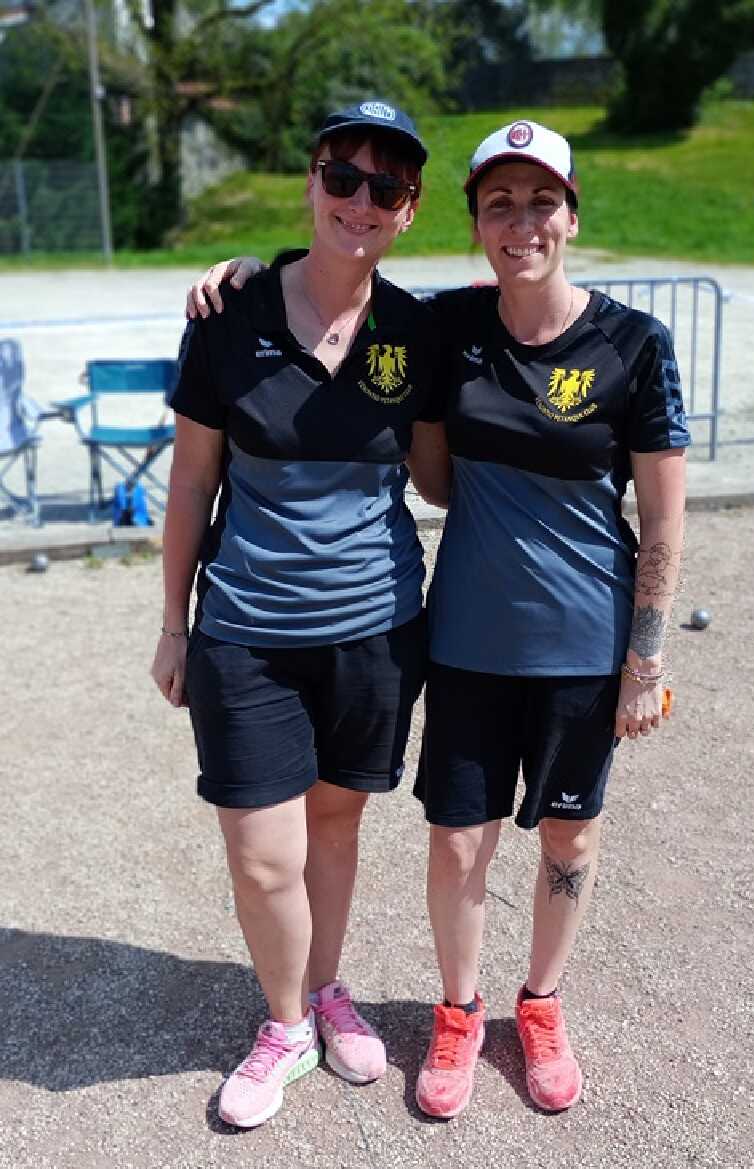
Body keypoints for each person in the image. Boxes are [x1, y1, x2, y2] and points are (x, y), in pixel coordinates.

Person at [186, 117, 689, 1120]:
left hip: (584, 643)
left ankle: (539, 1003)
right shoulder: (450, 327)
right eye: (499, 204)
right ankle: (458, 1012)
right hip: (463, 637)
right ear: (471, 222)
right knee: (457, 845)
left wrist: (645, 660)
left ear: (571, 214)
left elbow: (665, 518)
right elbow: (340, 279)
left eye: (540, 201)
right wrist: (249, 273)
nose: (520, 222)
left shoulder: (634, 343)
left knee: (568, 840)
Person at [151, 99, 450, 1129]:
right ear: (312, 182)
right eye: (342, 176)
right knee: (261, 851)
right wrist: (173, 622)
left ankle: (325, 988)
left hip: (374, 628)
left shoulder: (416, 330)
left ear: (408, 209)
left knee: (333, 824)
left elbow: (439, 476)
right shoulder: (227, 315)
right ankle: (284, 1025)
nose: (360, 200)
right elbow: (190, 484)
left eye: (385, 186)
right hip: (247, 630)